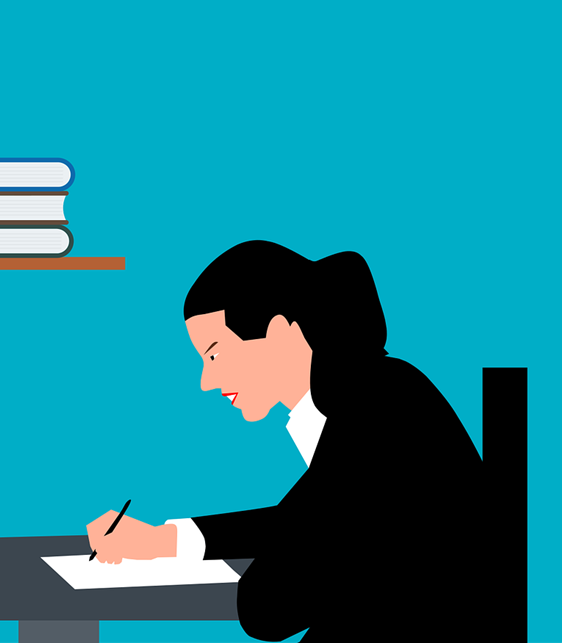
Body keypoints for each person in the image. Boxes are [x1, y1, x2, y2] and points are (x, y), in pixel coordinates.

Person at [86, 241, 486, 641]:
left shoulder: (377, 409)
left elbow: (271, 606)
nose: (207, 382)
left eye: (214, 355)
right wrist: (168, 539)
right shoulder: (372, 388)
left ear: (279, 332)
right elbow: (307, 518)